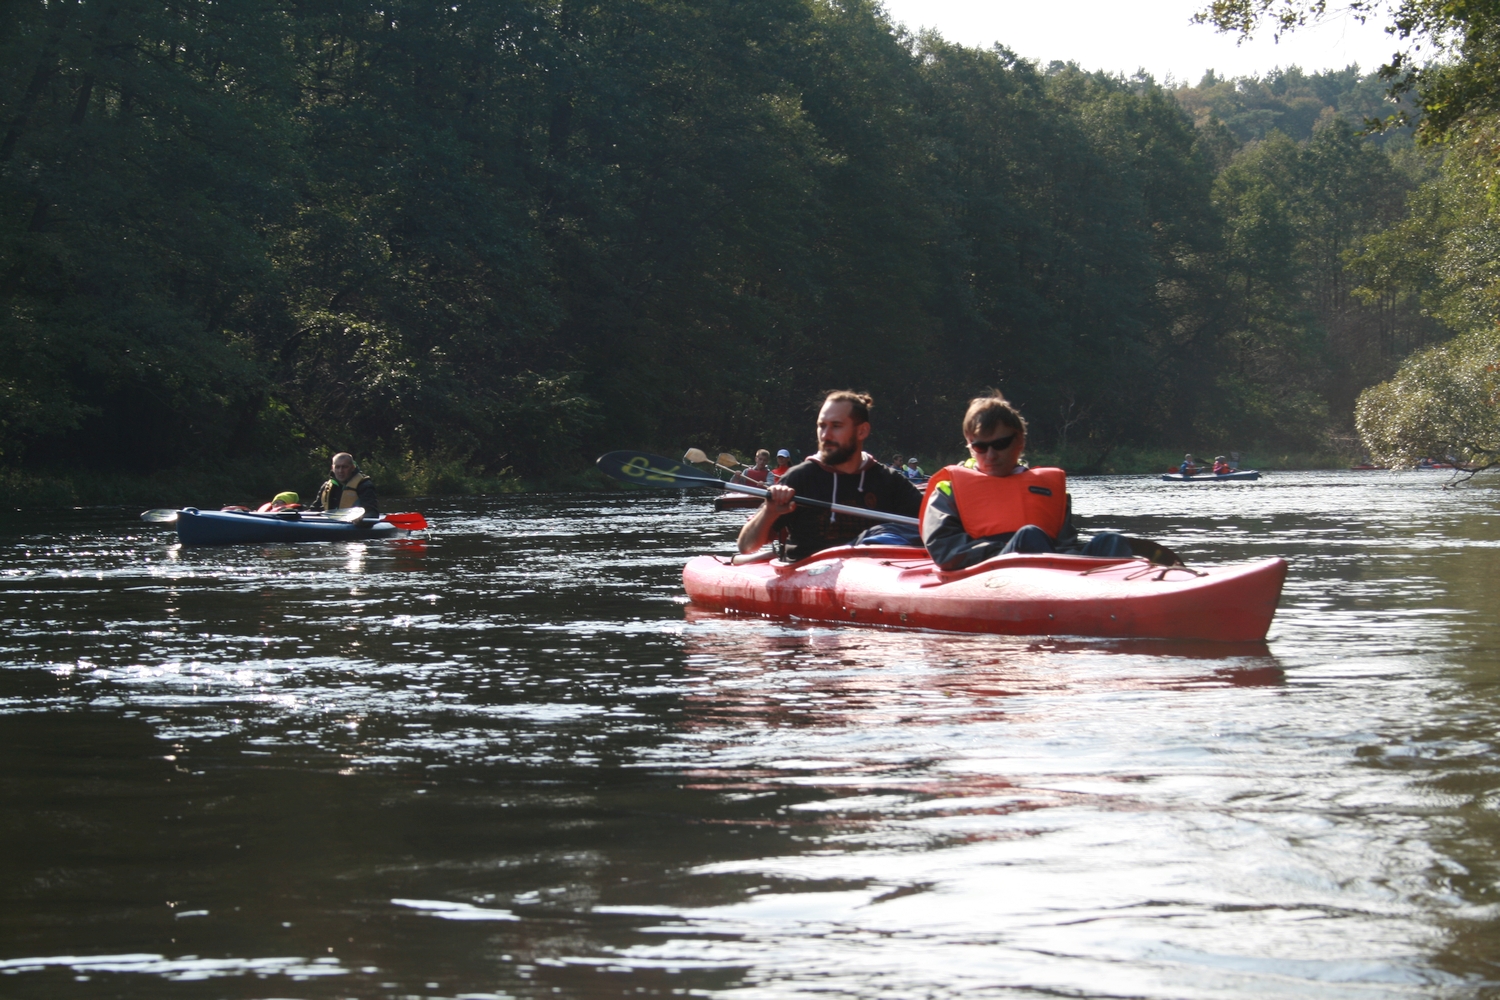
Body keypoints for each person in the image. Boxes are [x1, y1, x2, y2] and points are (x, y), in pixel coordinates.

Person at [921, 395, 1132, 571]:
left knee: (1111, 541)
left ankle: (1122, 596)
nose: (991, 455)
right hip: (990, 573)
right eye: (981, 447)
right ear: (969, 444)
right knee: (1029, 536)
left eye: (1000, 444)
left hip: (1053, 571)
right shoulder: (948, 491)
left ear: (1020, 441)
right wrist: (1011, 550)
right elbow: (946, 551)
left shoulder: (1048, 489)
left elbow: (1065, 545)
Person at [738, 392, 923, 561]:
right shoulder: (799, 477)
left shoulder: (889, 481)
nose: (825, 435)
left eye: (836, 426)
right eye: (822, 426)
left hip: (871, 574)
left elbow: (932, 526)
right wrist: (769, 512)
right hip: (807, 574)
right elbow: (746, 546)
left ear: (862, 431)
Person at [311, 452, 378, 516]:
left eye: (345, 467)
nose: (340, 471)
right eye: (337, 467)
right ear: (332, 468)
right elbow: (314, 510)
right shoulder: (326, 486)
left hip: (353, 522)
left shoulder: (364, 486)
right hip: (331, 522)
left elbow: (372, 512)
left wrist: (360, 518)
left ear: (352, 468)